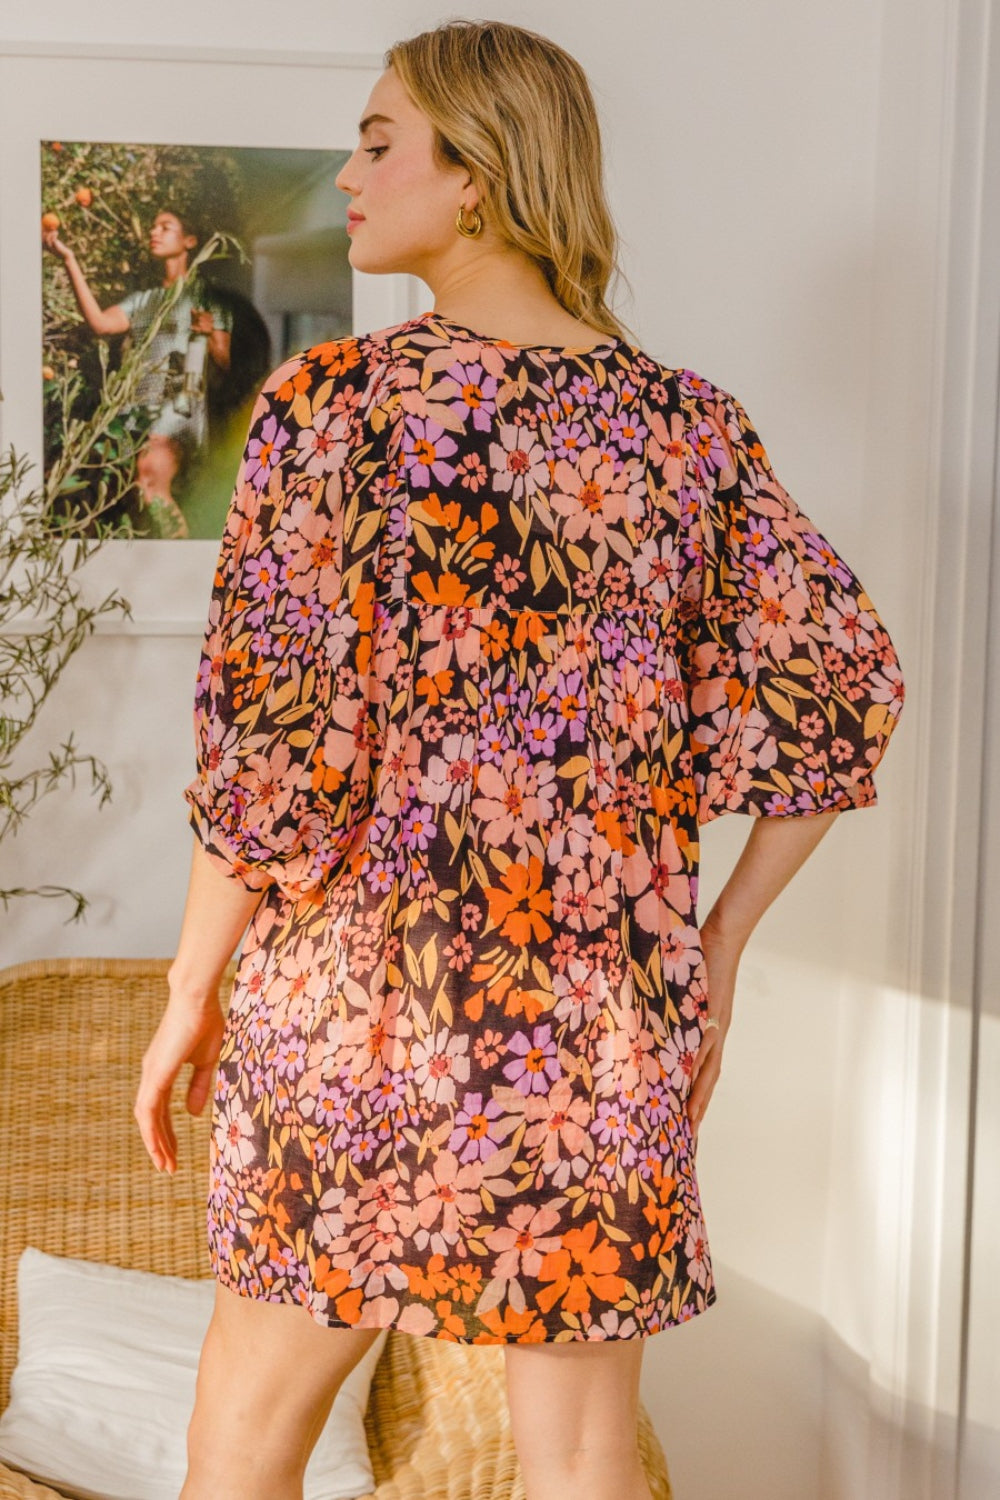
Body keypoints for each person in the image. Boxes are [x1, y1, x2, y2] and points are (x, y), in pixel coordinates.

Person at [134, 19, 905, 1500]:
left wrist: (188, 990)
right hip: (597, 1035)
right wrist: (719, 945)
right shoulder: (687, 431)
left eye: (378, 141)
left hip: (360, 1019)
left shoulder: (334, 414)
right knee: (582, 1457)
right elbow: (846, 688)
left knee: (242, 1441)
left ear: (477, 177)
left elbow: (272, 761)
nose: (349, 172)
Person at [43, 207, 234, 537]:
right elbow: (101, 324)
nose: (154, 232)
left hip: (178, 410)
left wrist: (210, 334)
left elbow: (225, 361)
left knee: (148, 482)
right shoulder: (144, 300)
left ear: (190, 241)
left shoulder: (207, 299)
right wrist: (68, 260)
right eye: (152, 226)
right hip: (137, 412)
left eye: (165, 227)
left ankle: (184, 568)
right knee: (138, 497)